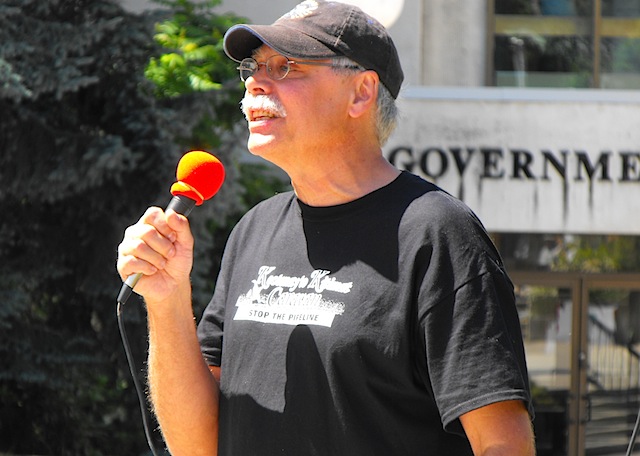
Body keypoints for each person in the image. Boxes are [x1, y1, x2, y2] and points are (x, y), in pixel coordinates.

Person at [116, 1, 536, 454]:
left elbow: (503, 444)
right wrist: (166, 300)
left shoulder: (436, 233)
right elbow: (196, 446)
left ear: (361, 92)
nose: (256, 82)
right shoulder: (253, 231)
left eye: (286, 66)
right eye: (252, 67)